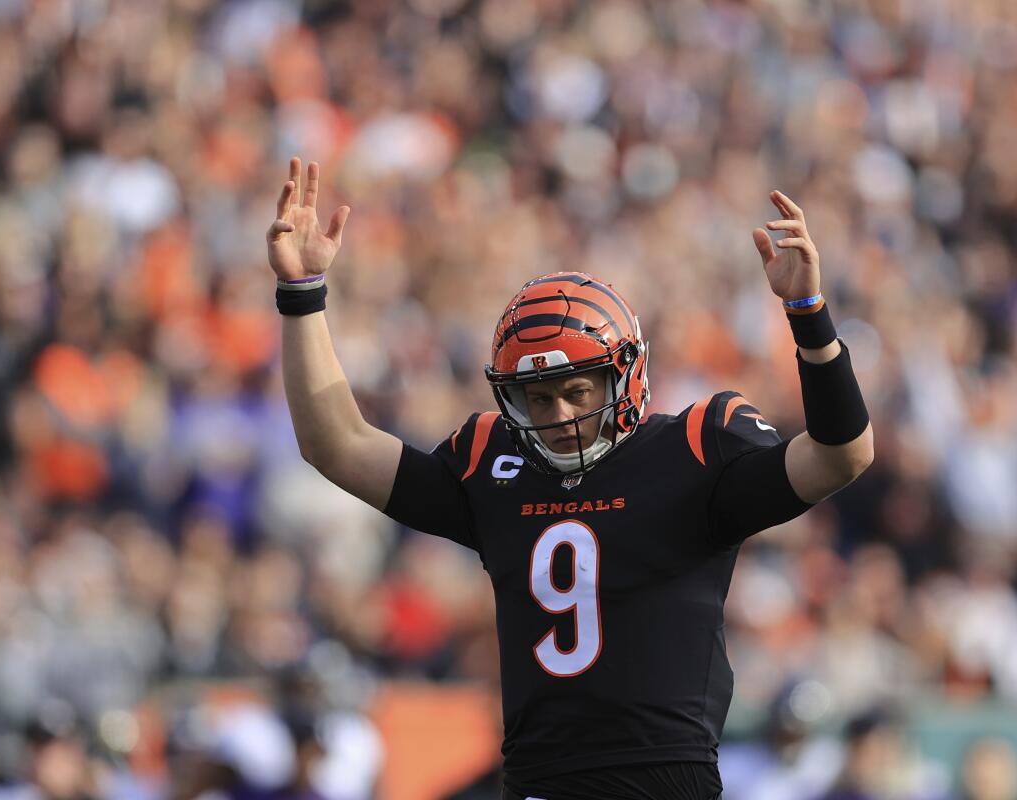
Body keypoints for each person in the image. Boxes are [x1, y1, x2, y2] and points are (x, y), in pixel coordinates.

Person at [272, 157, 873, 800]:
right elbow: (337, 443)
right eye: (536, 399)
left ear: (624, 376)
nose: (556, 415)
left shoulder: (697, 447)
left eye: (576, 391)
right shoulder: (493, 466)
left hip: (663, 780)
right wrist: (303, 295)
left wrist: (808, 312)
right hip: (536, 782)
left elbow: (843, 454)